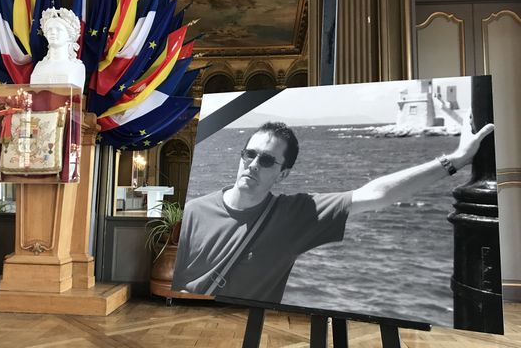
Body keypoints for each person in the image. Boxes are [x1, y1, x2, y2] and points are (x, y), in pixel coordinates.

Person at [172, 118, 494, 303]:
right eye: (249, 154)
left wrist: (457, 159)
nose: (253, 164)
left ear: (283, 173)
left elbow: (376, 194)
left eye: (267, 160)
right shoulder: (194, 212)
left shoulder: (295, 215)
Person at [30, 7, 85, 89]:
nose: (53, 32)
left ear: (69, 35)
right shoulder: (39, 66)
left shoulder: (77, 68)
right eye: (49, 29)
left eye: (58, 29)